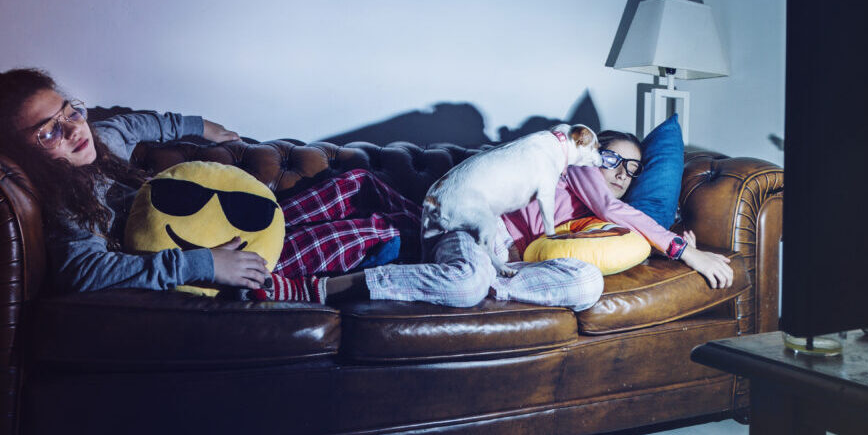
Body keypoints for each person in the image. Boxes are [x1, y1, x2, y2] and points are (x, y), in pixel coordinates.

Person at [0, 68, 412, 295]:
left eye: (70, 111)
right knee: (371, 232)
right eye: (48, 131)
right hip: (211, 255)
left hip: (226, 219)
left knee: (353, 182)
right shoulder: (67, 202)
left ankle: (447, 228)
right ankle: (436, 256)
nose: (73, 129)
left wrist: (203, 127)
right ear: (19, 153)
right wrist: (202, 265)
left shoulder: (101, 140)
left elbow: (138, 125)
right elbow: (84, 272)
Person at [257, 128, 733, 309]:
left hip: (513, 263)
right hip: (472, 228)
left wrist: (667, 237)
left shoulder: (599, 220)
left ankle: (487, 282)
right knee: (464, 283)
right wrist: (685, 250)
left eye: (632, 169)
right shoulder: (569, 169)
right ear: (590, 152)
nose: (620, 174)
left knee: (587, 283)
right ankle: (322, 289)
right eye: (611, 158)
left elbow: (620, 230)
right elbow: (616, 209)